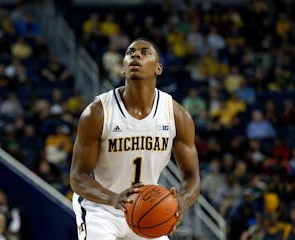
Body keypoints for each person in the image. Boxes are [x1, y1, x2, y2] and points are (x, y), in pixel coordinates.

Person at [70, 38, 200, 240]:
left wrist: (181, 201)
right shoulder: (97, 113)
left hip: (146, 207)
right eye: (130, 52)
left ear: (158, 68)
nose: (136, 55)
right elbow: (78, 177)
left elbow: (192, 177)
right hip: (101, 208)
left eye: (144, 52)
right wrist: (113, 199)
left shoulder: (176, 115)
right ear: (123, 68)